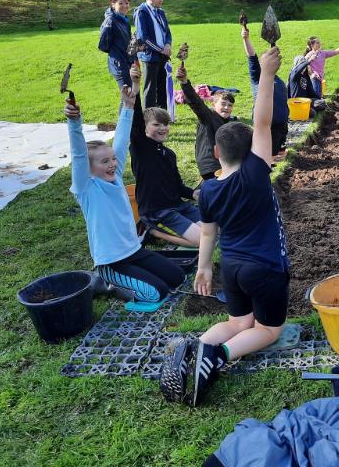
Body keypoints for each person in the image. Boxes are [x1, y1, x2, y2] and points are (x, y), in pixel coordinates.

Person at [159, 46, 290, 406]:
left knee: (237, 323)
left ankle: (196, 348)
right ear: (252, 152)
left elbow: (208, 232)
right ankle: (215, 359)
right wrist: (266, 73)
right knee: (267, 329)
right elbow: (262, 122)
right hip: (264, 267)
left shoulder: (208, 190)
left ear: (216, 154)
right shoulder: (255, 173)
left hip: (231, 267)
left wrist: (203, 268)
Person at [64, 81, 185, 303]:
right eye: (104, 162)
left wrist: (128, 107)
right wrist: (74, 123)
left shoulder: (116, 177)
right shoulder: (86, 188)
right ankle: (106, 283)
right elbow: (79, 154)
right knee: (154, 294)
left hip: (134, 251)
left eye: (112, 159)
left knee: (177, 278)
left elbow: (120, 140)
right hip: (112, 261)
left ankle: (129, 279)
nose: (112, 164)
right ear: (89, 169)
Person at [129, 66, 202, 247]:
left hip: (179, 206)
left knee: (214, 230)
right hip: (157, 211)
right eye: (156, 124)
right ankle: (150, 230)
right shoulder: (141, 147)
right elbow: (135, 120)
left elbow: (177, 185)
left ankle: (159, 231)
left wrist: (193, 194)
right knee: (202, 241)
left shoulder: (169, 154)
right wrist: (136, 87)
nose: (163, 128)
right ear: (145, 127)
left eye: (166, 124)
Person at [175, 64, 238, 181]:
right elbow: (196, 103)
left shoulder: (229, 124)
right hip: (211, 166)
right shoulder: (208, 116)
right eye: (223, 104)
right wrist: (184, 83)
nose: (226, 107)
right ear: (213, 105)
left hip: (224, 164)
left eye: (230, 105)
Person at [242, 26, 289, 155]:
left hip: (282, 123)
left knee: (280, 153)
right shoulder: (258, 77)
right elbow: (251, 57)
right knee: (268, 155)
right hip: (268, 126)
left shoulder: (278, 79)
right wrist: (246, 39)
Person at [134, 0, 172, 109]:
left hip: (163, 56)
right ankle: (149, 116)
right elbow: (143, 38)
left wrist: (167, 44)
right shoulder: (142, 12)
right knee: (150, 88)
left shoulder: (160, 11)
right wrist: (161, 50)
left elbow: (167, 31)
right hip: (150, 57)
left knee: (162, 86)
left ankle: (162, 115)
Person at [97, 0, 133, 88]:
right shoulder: (111, 21)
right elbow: (103, 45)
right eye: (120, 3)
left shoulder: (124, 20)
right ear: (113, 4)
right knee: (128, 97)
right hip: (119, 65)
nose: (125, 6)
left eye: (127, 3)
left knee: (132, 96)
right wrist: (117, 53)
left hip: (128, 63)